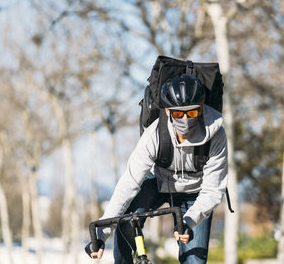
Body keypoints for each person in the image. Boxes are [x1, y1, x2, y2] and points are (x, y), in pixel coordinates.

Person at [87, 74, 228, 264]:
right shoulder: (154, 135)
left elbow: (213, 190)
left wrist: (189, 221)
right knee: (127, 220)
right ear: (168, 112)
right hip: (159, 184)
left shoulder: (216, 133)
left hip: (196, 193)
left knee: (194, 260)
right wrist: (101, 235)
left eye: (191, 113)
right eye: (178, 114)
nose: (185, 119)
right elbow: (128, 184)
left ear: (201, 109)